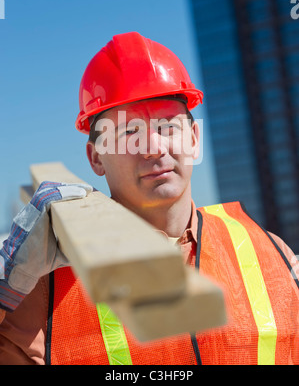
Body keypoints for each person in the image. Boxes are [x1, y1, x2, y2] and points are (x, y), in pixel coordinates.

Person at [0, 32, 298, 365]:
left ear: (194, 138)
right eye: (128, 133)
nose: (154, 148)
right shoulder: (46, 286)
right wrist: (6, 281)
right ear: (96, 157)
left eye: (168, 126)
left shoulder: (270, 254)